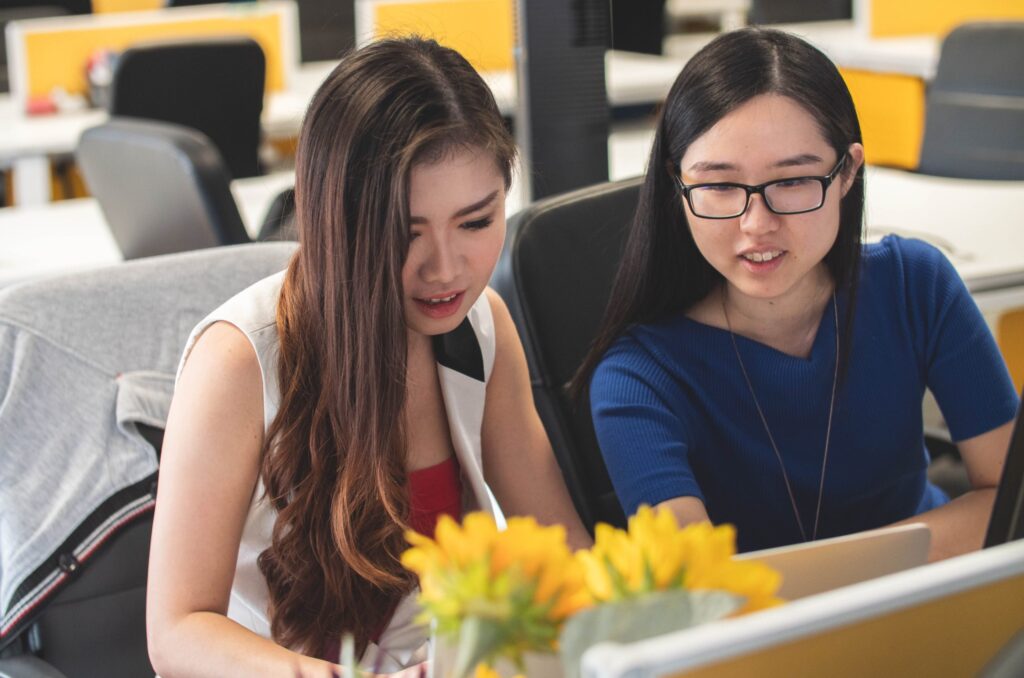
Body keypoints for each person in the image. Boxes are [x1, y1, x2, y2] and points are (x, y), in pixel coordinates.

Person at [147, 37, 589, 677]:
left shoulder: (482, 327)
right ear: (337, 220)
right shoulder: (240, 361)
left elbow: (560, 547)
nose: (446, 268)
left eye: (475, 222)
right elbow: (177, 630)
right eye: (404, 233)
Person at [578, 27, 1018, 561]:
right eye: (719, 186)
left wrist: (842, 576)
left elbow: (1009, 499)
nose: (756, 223)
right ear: (678, 186)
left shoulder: (915, 286)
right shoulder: (638, 378)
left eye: (792, 181)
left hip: (929, 599)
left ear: (847, 172)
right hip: (767, 637)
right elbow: (699, 589)